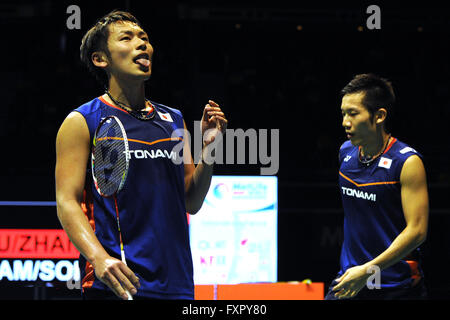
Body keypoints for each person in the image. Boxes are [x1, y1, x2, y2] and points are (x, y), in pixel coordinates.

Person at [55, 10, 227, 300]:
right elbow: (66, 201)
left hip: (177, 284)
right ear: (101, 59)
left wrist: (209, 151)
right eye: (127, 38)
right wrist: (98, 259)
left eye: (144, 38)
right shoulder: (83, 121)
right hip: (117, 282)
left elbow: (192, 201)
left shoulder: (173, 119)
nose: (142, 44)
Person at [325, 73, 429, 300]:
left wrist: (369, 270)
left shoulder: (407, 163)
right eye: (343, 113)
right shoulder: (346, 153)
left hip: (397, 286)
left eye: (353, 113)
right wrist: (360, 273)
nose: (345, 122)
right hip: (351, 279)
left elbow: (418, 231)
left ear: (379, 115)